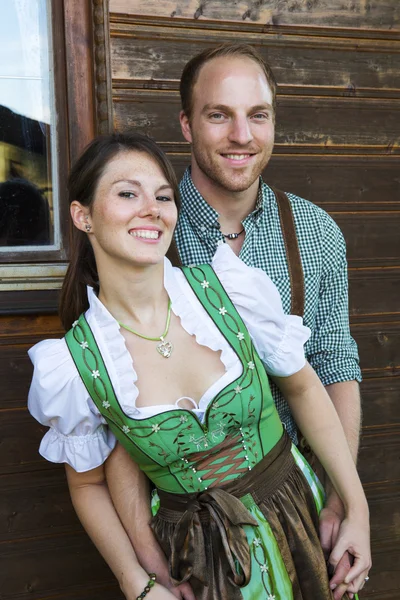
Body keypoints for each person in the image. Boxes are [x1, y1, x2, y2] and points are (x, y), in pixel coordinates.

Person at [28, 133, 370, 600]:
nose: (151, 208)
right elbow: (87, 484)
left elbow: (306, 389)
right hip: (194, 557)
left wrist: (356, 510)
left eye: (163, 196)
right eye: (128, 193)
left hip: (298, 519)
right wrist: (138, 581)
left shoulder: (231, 291)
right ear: (82, 215)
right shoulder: (74, 364)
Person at [107, 43, 364, 600]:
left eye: (258, 115)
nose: (241, 135)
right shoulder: (148, 236)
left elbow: (336, 366)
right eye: (219, 114)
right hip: (191, 538)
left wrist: (344, 502)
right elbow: (117, 428)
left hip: (302, 512)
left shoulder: (315, 234)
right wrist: (149, 570)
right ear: (186, 123)